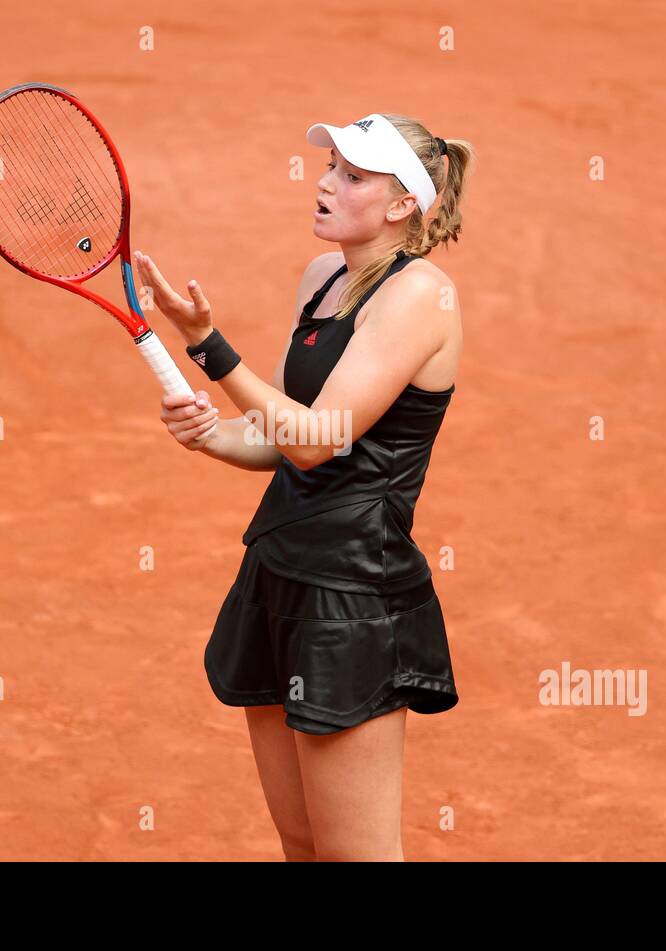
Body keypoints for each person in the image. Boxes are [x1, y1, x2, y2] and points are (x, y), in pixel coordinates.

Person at [133, 112, 474, 861]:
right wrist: (213, 434)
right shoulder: (323, 280)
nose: (323, 183)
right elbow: (288, 436)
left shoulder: (421, 297)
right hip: (280, 572)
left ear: (401, 205)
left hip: (352, 597)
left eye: (353, 175)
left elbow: (317, 445)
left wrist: (208, 347)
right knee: (303, 844)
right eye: (330, 167)